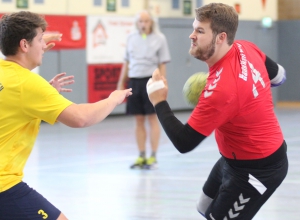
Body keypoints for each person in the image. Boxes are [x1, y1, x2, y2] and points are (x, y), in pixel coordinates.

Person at [147, 3, 287, 220]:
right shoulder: (245, 47)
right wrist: (253, 94)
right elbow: (279, 76)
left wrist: (159, 101)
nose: (192, 36)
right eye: (194, 28)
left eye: (200, 31)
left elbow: (184, 143)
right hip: (232, 158)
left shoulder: (222, 90)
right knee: (204, 206)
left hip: (259, 170)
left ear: (221, 37)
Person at [0, 11, 132, 220]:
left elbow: (11, 106)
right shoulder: (27, 83)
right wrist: (114, 99)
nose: (44, 46)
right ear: (24, 45)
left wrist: (45, 92)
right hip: (4, 186)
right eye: (40, 40)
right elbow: (80, 118)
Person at [117, 10, 171, 169]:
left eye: (146, 21)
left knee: (152, 119)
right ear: (137, 23)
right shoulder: (131, 38)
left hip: (151, 81)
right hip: (134, 80)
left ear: (151, 23)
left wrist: (161, 84)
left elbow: (162, 63)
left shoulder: (160, 38)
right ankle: (141, 155)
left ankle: (153, 157)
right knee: (138, 120)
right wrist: (121, 83)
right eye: (141, 21)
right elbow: (126, 62)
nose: (143, 24)